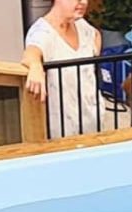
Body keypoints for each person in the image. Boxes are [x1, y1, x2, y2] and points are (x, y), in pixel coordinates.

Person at [22, 0, 102, 139]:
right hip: (63, 127)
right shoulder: (43, 32)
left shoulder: (81, 24)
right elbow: (31, 52)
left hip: (92, 118)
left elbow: (95, 35)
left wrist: (95, 51)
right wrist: (35, 66)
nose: (83, 2)